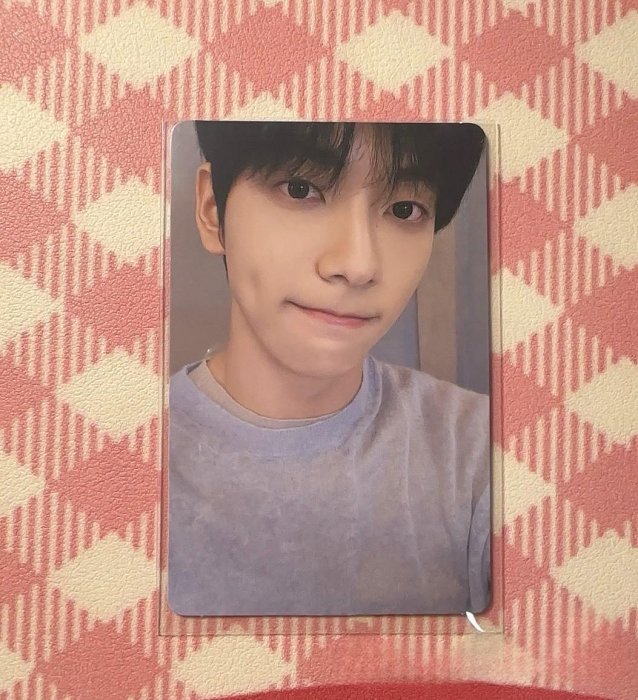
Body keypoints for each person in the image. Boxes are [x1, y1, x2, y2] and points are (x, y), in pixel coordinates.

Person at [167, 121, 490, 617]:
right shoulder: (115, 459)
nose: (358, 265)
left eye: (405, 209)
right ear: (213, 211)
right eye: (300, 189)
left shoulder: (483, 447)